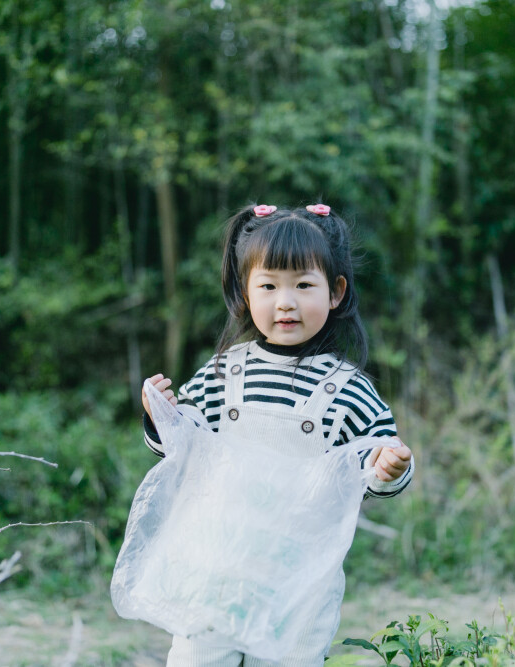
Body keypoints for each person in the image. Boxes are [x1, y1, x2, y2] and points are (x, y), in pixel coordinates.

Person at [140, 202, 414, 667]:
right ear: (246, 294)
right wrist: (161, 415)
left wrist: (389, 468)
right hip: (216, 569)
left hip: (301, 582)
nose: (285, 302)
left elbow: (378, 462)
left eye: (304, 285)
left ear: (335, 292)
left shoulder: (349, 389)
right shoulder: (223, 371)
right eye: (268, 286)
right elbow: (181, 446)